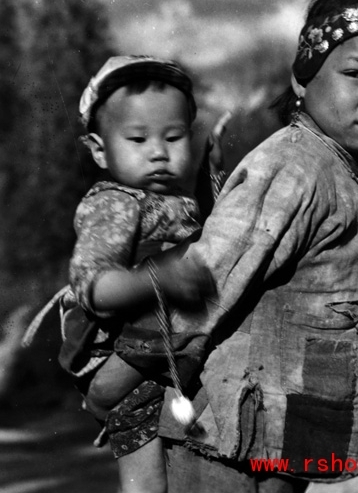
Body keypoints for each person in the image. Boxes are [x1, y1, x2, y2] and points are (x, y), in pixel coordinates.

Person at [76, 0, 358, 492]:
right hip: (228, 443)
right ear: (302, 80)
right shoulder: (295, 166)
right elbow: (210, 279)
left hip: (273, 435)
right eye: (355, 74)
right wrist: (113, 382)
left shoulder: (332, 167)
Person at [57, 56, 228, 493]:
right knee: (147, 475)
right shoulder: (115, 203)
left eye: (174, 138)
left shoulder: (174, 198)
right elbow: (94, 284)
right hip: (114, 349)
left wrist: (213, 169)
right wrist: (159, 280)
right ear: (99, 150)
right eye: (137, 138)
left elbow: (214, 236)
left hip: (158, 346)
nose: (158, 151)